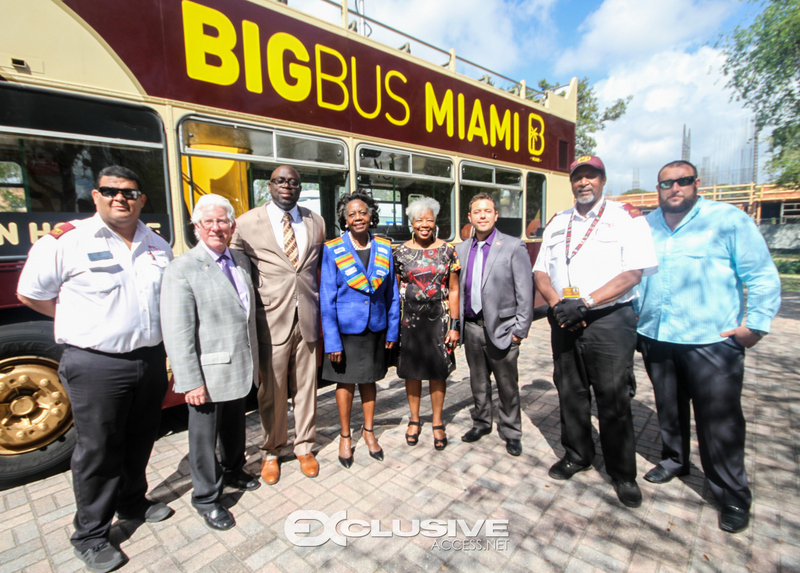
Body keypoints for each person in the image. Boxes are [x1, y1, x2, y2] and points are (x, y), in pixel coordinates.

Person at [16, 165, 174, 573]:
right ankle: (90, 534)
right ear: (96, 196)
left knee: (140, 438)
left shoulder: (157, 243)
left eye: (129, 192)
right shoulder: (67, 242)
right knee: (98, 449)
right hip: (96, 363)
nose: (120, 198)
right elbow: (31, 293)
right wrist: (78, 323)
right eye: (110, 191)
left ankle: (133, 502)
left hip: (149, 358)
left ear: (141, 199)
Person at [637, 160, 780, 533]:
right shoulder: (646, 226)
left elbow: (762, 275)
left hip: (712, 341)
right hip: (658, 336)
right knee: (668, 408)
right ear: (658, 188)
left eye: (682, 181)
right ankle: (674, 460)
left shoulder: (728, 220)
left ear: (696, 183)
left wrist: (756, 325)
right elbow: (635, 278)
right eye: (666, 183)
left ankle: (732, 494)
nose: (674, 188)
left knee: (720, 422)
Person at [533, 155, 658, 509]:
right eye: (578, 177)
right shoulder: (559, 222)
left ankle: (623, 474)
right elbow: (541, 271)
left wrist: (585, 302)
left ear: (603, 180)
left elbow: (633, 272)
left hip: (609, 320)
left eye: (591, 176)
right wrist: (559, 303)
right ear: (571, 183)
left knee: (613, 397)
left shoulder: (626, 218)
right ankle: (577, 454)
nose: (583, 183)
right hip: (564, 316)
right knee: (570, 391)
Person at [160, 194, 260, 532]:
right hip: (206, 373)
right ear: (197, 227)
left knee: (234, 427)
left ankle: (234, 469)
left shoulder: (240, 261)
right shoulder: (181, 269)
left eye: (223, 222)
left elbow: (248, 318)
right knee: (203, 440)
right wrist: (190, 381)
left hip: (237, 364)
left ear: (233, 226)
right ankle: (206, 497)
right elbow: (178, 331)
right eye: (209, 222)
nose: (217, 228)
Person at [230, 165, 326, 484]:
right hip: (270, 319)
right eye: (281, 181)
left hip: (309, 316)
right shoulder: (245, 223)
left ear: (300, 187)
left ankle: (304, 446)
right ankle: (271, 451)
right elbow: (235, 268)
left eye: (294, 182)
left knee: (307, 387)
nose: (287, 186)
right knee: (271, 390)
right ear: (269, 186)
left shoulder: (316, 221)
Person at [320, 191, 400, 468]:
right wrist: (331, 341)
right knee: (346, 383)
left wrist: (392, 331)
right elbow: (326, 298)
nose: (358, 218)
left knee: (369, 380)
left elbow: (392, 295)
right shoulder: (333, 249)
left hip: (376, 327)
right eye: (352, 214)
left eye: (362, 212)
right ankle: (345, 436)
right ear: (345, 219)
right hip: (345, 331)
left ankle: (368, 431)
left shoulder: (385, 247)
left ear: (370, 215)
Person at [456, 192, 533, 457]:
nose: (483, 216)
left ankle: (511, 431)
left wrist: (519, 332)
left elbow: (526, 293)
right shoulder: (462, 249)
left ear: (496, 215)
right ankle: (482, 422)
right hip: (472, 327)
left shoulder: (513, 246)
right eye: (477, 212)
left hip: (503, 329)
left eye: (487, 211)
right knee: (478, 381)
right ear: (470, 217)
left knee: (507, 385)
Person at [393, 197, 460, 450]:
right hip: (409, 321)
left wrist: (454, 326)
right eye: (419, 220)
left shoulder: (448, 250)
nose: (424, 225)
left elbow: (453, 290)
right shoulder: (399, 253)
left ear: (435, 223)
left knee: (437, 372)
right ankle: (413, 419)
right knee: (412, 372)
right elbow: (395, 289)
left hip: (439, 321)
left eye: (429, 220)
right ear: (411, 222)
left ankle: (437, 421)